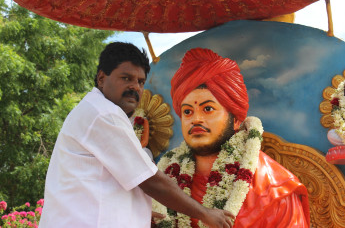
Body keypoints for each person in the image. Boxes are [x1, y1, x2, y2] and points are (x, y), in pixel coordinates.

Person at [39, 42, 234, 228]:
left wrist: (135, 210)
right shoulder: (103, 114)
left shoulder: (97, 111)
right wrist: (204, 213)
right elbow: (150, 180)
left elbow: (102, 183)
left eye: (140, 82)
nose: (135, 87)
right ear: (101, 78)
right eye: (126, 78)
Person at [152, 48, 310, 227]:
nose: (196, 119)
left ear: (235, 120)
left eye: (208, 109)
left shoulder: (275, 191)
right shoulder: (165, 180)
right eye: (187, 111)